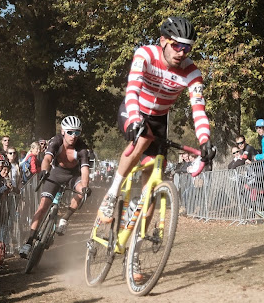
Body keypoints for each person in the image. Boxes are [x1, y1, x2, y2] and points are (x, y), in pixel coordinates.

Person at [99, 16, 216, 219]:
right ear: (163, 41)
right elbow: (133, 90)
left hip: (160, 119)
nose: (181, 53)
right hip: (133, 109)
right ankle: (112, 193)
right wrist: (135, 119)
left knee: (154, 176)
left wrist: (204, 140)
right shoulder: (145, 54)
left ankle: (135, 237)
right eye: (177, 45)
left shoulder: (192, 73)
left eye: (187, 49)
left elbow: (198, 109)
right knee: (143, 138)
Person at [20, 116, 91, 257]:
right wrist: (45, 171)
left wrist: (85, 186)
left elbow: (84, 170)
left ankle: (65, 218)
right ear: (63, 131)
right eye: (70, 132)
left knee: (83, 191)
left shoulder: (82, 148)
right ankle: (28, 242)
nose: (73, 136)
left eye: (77, 132)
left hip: (73, 176)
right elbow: (47, 158)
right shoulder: (56, 141)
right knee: (43, 207)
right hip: (56, 174)